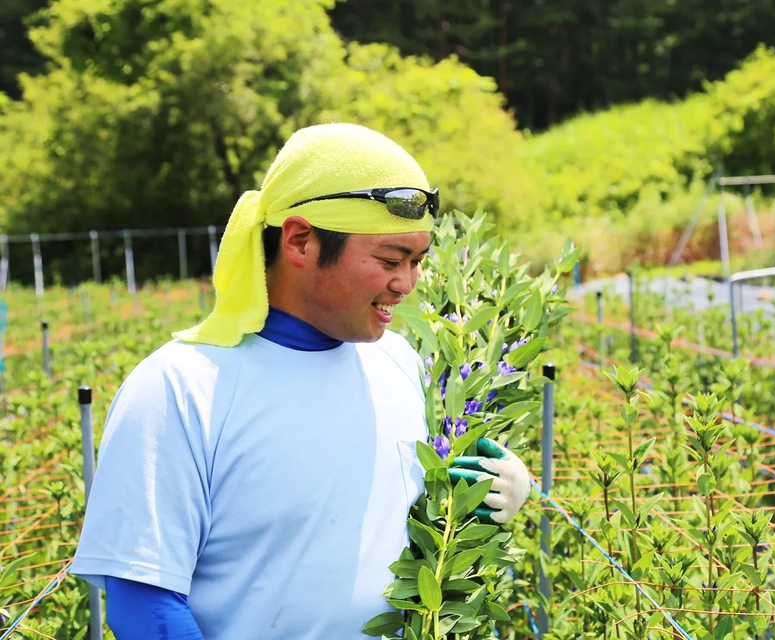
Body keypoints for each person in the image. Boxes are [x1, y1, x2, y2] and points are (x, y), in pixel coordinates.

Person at [69, 123, 531, 639]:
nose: (406, 284)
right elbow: (144, 605)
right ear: (300, 240)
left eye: (417, 261)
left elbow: (402, 530)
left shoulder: (399, 363)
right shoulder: (180, 389)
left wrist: (494, 495)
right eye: (389, 260)